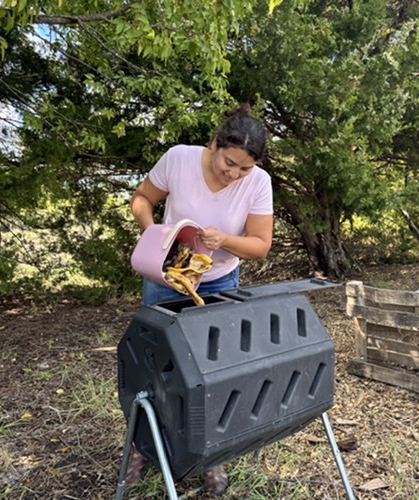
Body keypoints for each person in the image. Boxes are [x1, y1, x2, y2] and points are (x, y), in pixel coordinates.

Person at [126, 105, 273, 495]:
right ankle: (143, 452)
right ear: (215, 144)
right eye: (229, 163)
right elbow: (142, 198)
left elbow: (260, 245)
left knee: (216, 372)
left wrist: (224, 240)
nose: (234, 175)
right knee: (157, 369)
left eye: (244, 168)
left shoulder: (258, 182)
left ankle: (213, 458)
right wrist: (157, 235)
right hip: (167, 279)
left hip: (219, 283)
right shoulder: (179, 159)